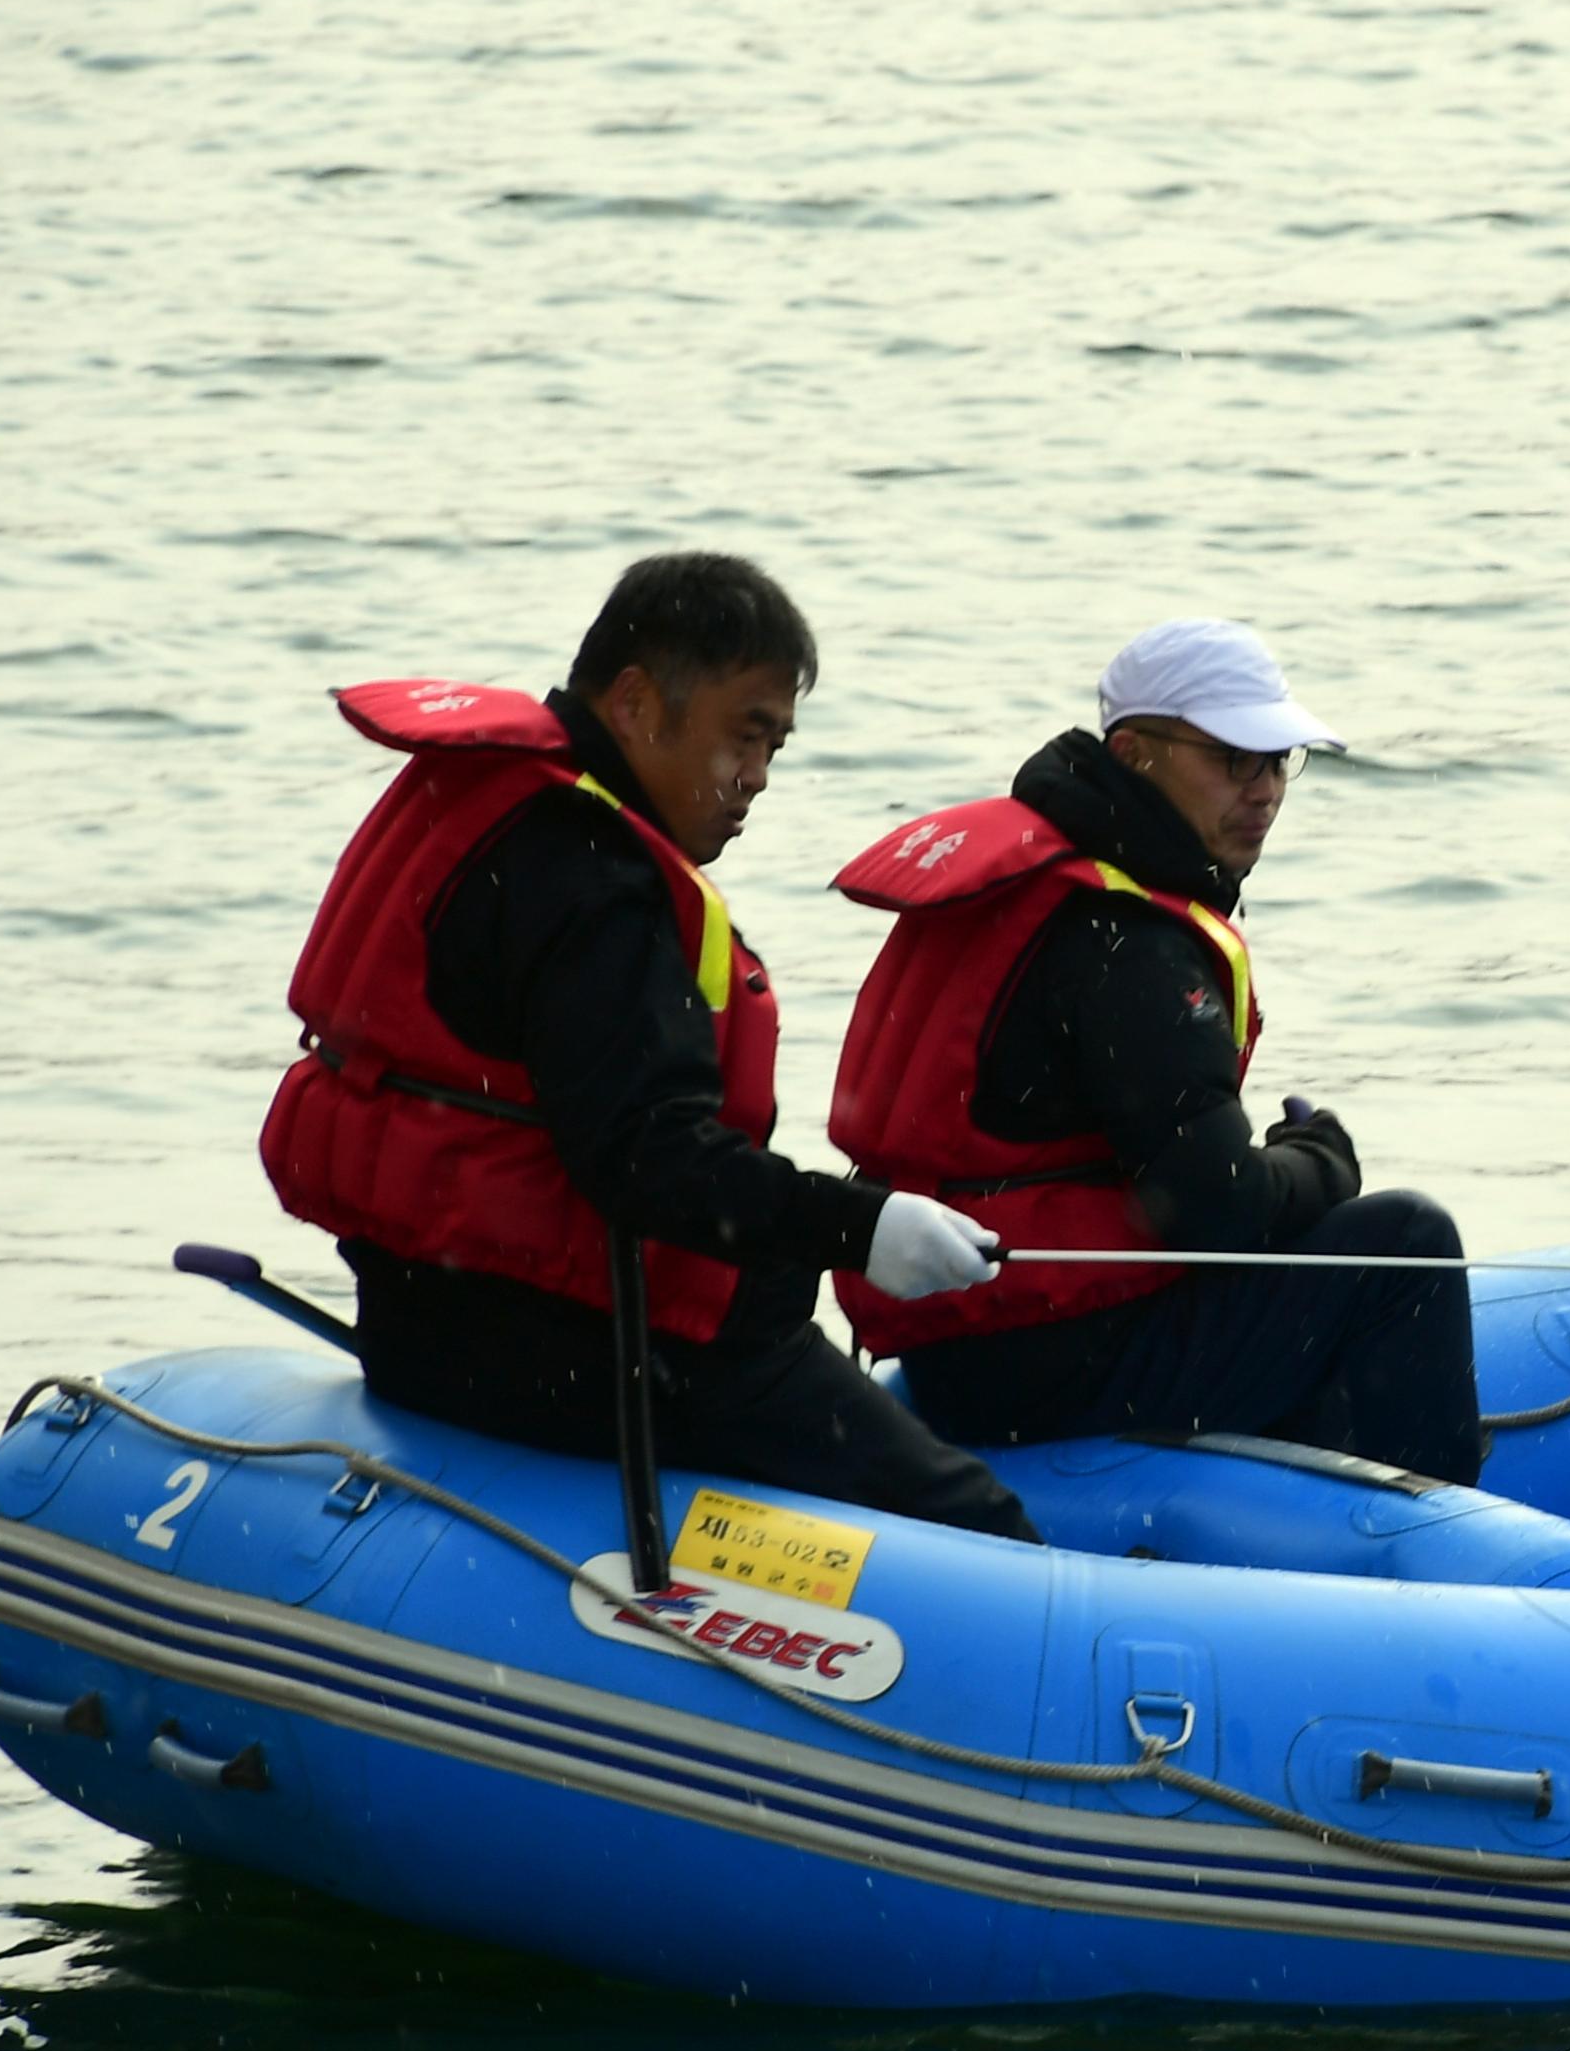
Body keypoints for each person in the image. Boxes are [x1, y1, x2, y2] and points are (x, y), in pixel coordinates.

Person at [258, 553, 1036, 1539]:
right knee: (977, 1520)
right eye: (743, 737)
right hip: (592, 1345)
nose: (755, 777)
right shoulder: (598, 881)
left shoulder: (493, 802)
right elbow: (646, 1157)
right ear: (635, 702)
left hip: (423, 1317)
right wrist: (865, 1227)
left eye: (775, 748)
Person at [823, 619, 1481, 1482]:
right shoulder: (1124, 940)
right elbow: (1217, 1211)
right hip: (1044, 1367)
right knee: (1406, 1245)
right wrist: (1320, 1160)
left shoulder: (1049, 881)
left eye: (1279, 760)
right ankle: (1436, 1541)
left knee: (1312, 1245)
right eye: (1234, 760)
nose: (1265, 791)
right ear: (1134, 752)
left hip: (968, 1348)